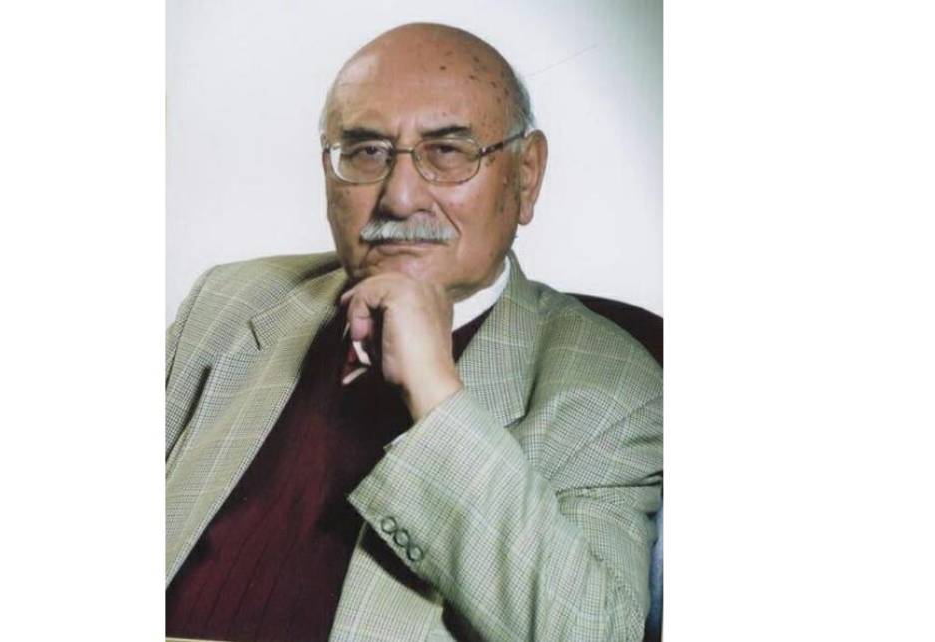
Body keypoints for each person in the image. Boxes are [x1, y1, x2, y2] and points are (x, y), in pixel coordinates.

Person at [165, 22, 662, 642]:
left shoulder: (614, 387)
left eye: (448, 151)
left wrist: (436, 396)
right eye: (366, 152)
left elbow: (593, 633)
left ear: (526, 175)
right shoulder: (229, 302)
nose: (399, 198)